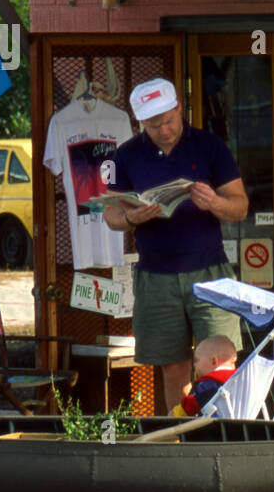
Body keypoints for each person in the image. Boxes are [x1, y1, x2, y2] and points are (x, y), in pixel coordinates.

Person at [102, 77, 249, 414]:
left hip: (209, 269)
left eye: (168, 121)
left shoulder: (209, 146)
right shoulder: (124, 156)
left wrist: (213, 202)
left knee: (221, 359)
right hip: (156, 274)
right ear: (141, 123)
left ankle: (228, 436)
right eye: (154, 126)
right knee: (172, 367)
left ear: (179, 108)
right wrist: (133, 219)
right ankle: (179, 436)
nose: (164, 130)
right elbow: (110, 214)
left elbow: (240, 206)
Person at [171, 334, 238, 417]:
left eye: (197, 360)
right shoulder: (242, 380)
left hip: (215, 426)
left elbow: (191, 404)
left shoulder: (207, 384)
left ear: (214, 361)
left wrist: (176, 413)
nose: (194, 365)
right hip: (243, 425)